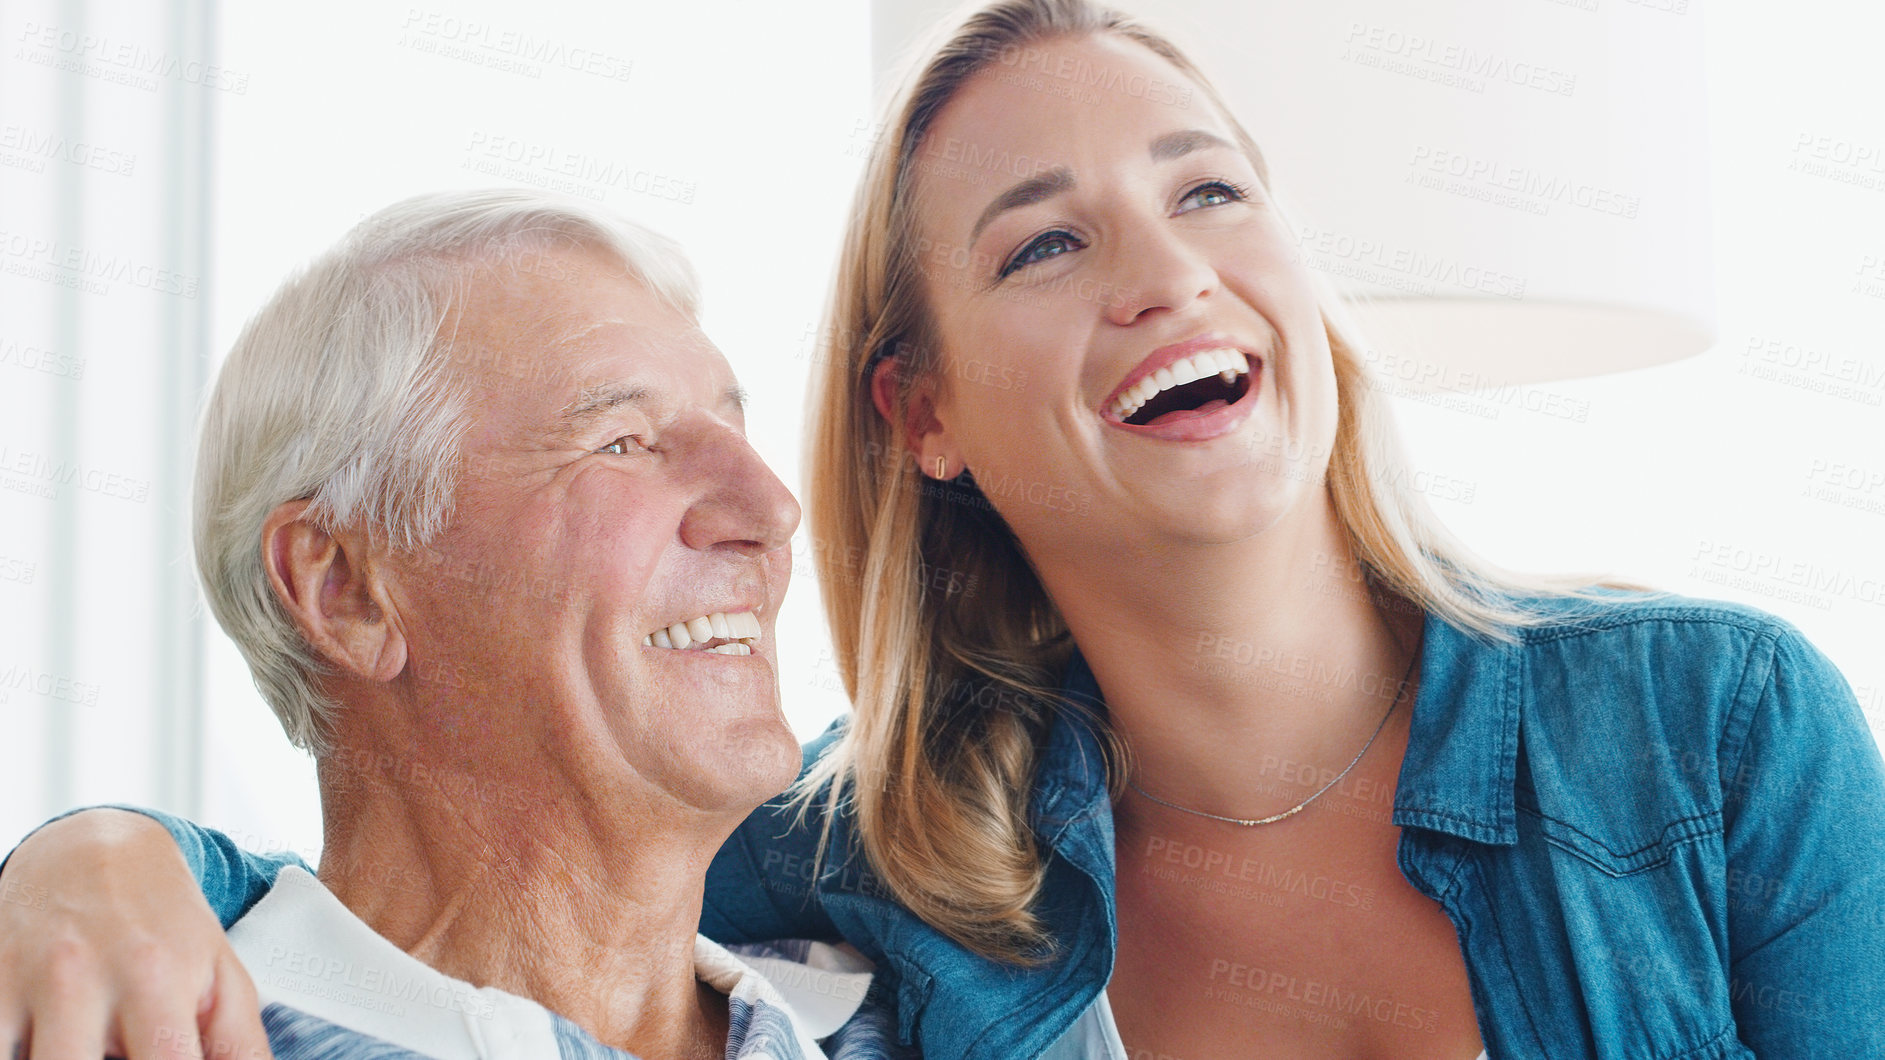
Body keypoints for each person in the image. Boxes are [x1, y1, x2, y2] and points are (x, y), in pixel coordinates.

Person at [5, 1, 1884, 1058]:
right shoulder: (883, 872)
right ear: (922, 415)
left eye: (1212, 188)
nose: (1168, 272)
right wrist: (94, 853)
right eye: (1047, 243)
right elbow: (451, 892)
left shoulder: (1712, 741)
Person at [0, 189, 909, 1060]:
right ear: (346, 591)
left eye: (734, 427)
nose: (773, 510)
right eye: (619, 443)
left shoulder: (914, 1009)